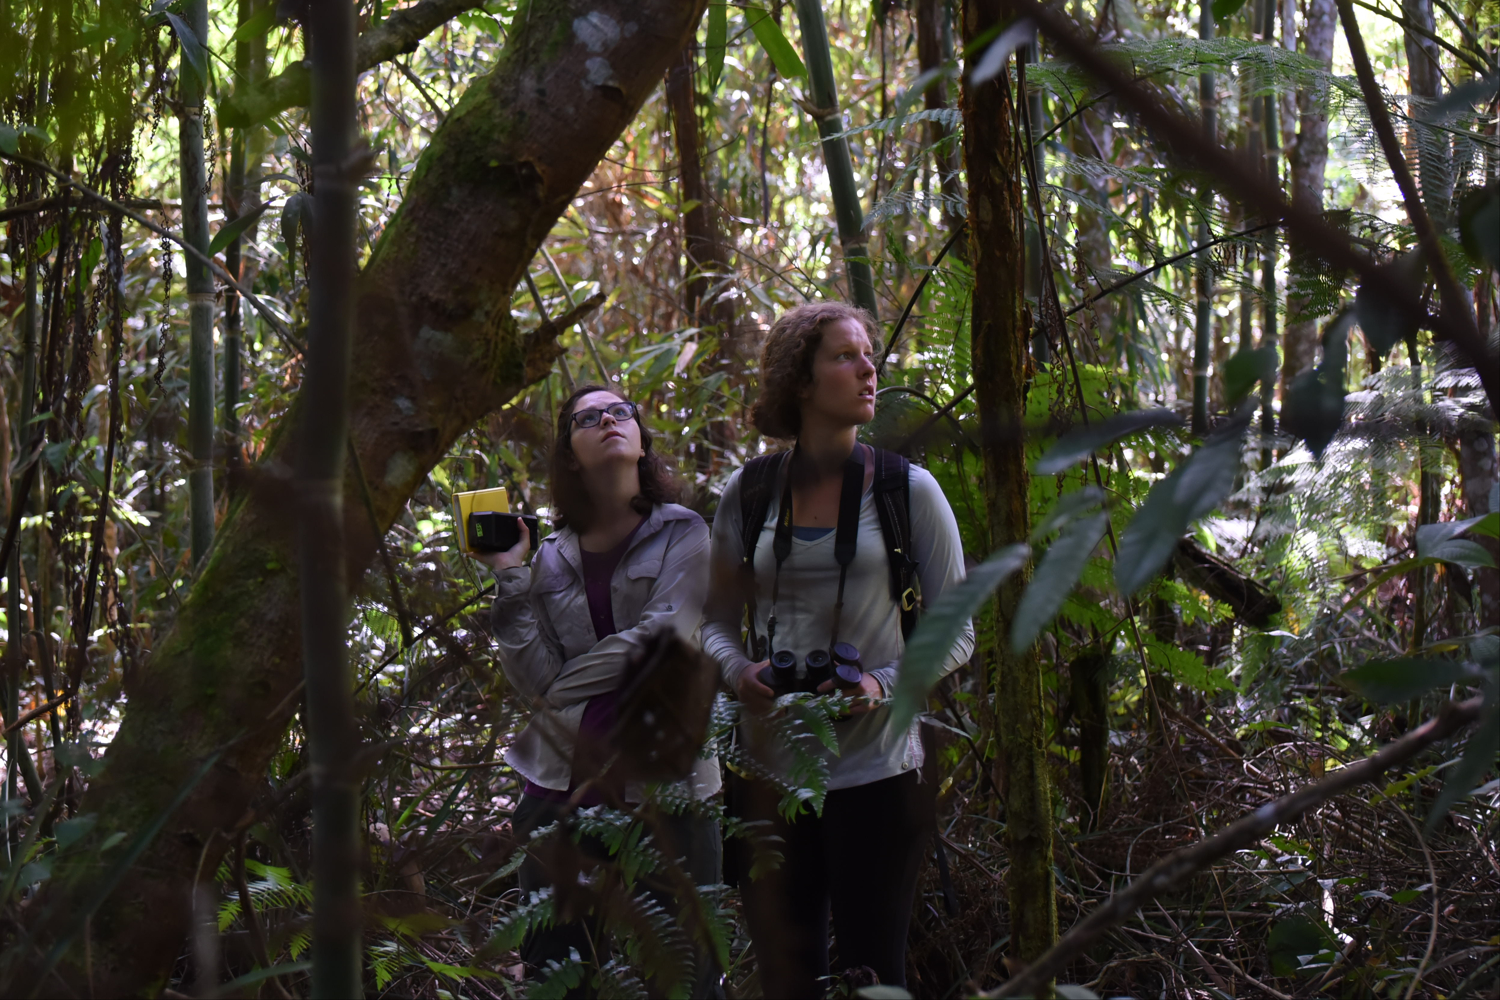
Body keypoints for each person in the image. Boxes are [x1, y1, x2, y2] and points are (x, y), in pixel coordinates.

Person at [701, 302, 974, 996]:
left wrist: (880, 685)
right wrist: (740, 673)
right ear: (799, 379)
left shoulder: (905, 491)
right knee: (786, 976)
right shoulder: (751, 492)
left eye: (868, 354)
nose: (867, 369)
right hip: (770, 777)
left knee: (874, 974)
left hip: (877, 773)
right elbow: (712, 622)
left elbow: (958, 629)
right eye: (844, 356)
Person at [474, 385, 722, 996]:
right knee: (560, 975)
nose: (609, 420)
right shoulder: (550, 556)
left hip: (667, 788)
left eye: (621, 413)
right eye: (589, 417)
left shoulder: (684, 533)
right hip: (558, 785)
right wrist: (510, 576)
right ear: (571, 453)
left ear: (640, 441)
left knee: (684, 975)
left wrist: (561, 686)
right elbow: (531, 678)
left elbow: (661, 635)